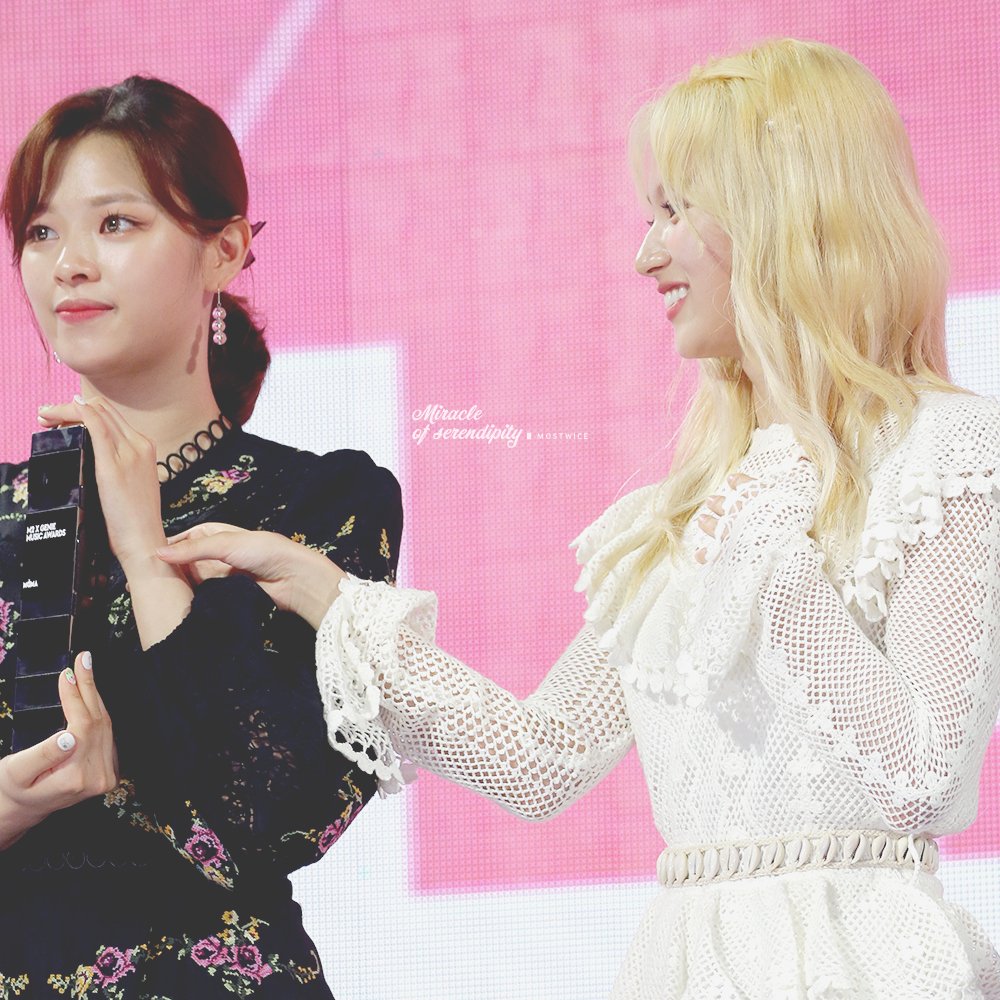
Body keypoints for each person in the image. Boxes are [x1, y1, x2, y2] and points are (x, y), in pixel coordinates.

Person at [160, 39, 1000, 999]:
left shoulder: (943, 451)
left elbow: (926, 778)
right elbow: (541, 759)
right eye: (649, 215)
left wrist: (773, 562)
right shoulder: (681, 515)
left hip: (866, 966)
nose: (645, 254)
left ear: (783, 210)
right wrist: (327, 594)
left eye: (675, 211)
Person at [0, 77, 402, 997]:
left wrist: (147, 554)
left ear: (224, 251)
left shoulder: (319, 504)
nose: (68, 265)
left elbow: (271, 813)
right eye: (41, 232)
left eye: (115, 223)